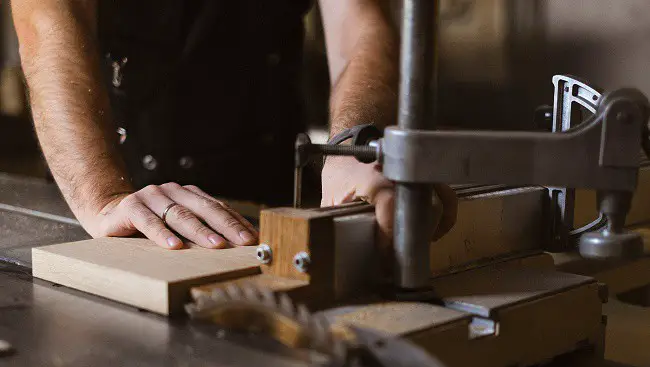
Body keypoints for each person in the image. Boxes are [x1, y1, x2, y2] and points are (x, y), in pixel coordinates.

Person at [11, 0, 456, 250]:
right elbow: (47, 17)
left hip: (272, 188)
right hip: (115, 190)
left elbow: (361, 26)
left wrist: (356, 145)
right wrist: (102, 195)